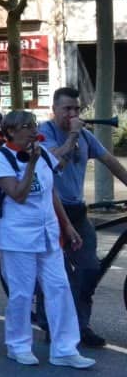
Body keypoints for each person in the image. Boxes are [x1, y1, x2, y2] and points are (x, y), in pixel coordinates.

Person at [0, 110, 94, 369]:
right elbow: (18, 194)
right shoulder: (0, 158)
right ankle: (18, 345)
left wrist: (67, 226)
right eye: (25, 126)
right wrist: (33, 166)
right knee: (22, 294)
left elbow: (51, 191)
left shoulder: (42, 153)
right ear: (11, 131)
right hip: (18, 238)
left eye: (33, 125)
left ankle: (64, 349)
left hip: (48, 235)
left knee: (59, 289)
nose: (31, 130)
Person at [41, 87, 127, 347]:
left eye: (76, 109)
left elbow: (111, 161)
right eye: (67, 108)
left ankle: (81, 325)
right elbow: (52, 160)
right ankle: (52, 324)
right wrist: (74, 135)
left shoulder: (86, 137)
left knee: (89, 270)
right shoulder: (44, 134)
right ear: (54, 110)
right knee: (59, 276)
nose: (73, 113)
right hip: (51, 212)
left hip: (78, 212)